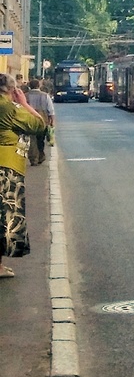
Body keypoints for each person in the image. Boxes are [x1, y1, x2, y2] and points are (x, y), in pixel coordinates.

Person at [0, 73, 47, 278]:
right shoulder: (10, 108)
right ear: (11, 90)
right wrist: (24, 103)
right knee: (5, 220)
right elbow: (39, 125)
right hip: (6, 168)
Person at [24, 79, 53, 166]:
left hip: (29, 121)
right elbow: (50, 110)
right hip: (42, 121)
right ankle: (41, 155)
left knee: (32, 139)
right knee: (40, 140)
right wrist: (52, 121)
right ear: (38, 86)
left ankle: (33, 158)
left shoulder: (25, 96)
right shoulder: (45, 96)